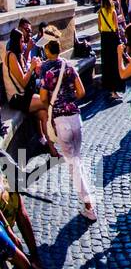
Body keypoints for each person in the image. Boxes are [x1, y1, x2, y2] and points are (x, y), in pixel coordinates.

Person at [35, 34, 93, 221]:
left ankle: (89, 205)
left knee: (73, 165)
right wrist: (69, 100)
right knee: (77, 159)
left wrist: (55, 103)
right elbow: (81, 91)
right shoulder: (68, 65)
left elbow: (43, 98)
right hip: (76, 117)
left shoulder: (46, 68)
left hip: (61, 121)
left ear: (47, 50)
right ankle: (87, 199)